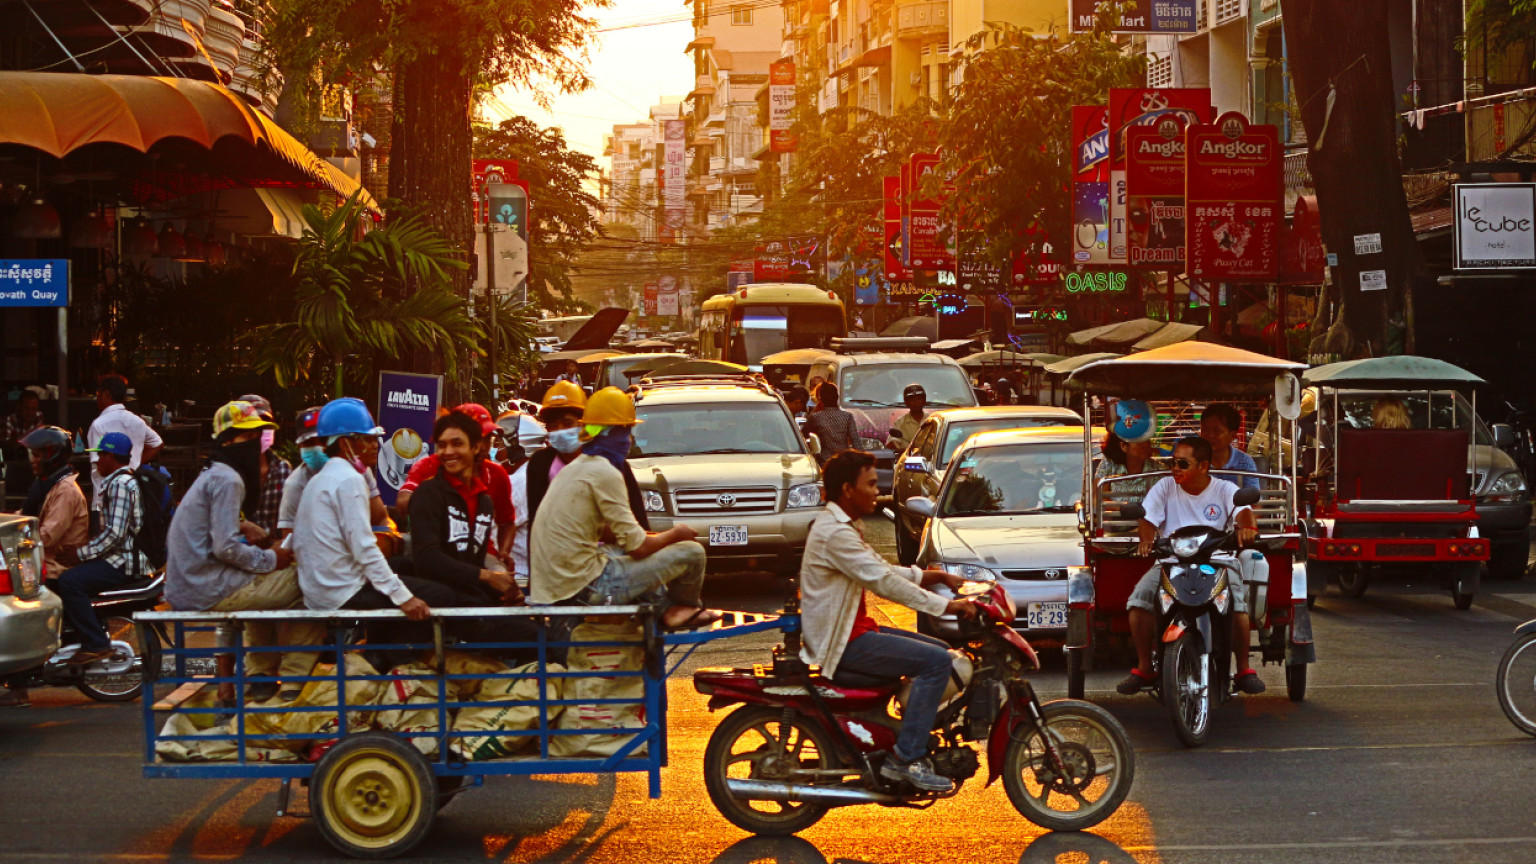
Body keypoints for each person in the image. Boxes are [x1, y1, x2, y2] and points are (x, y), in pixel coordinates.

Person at [799, 449, 978, 793]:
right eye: (869, 484)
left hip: (853, 630)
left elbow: (880, 570)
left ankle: (905, 730)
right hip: (843, 642)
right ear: (847, 490)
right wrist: (946, 606)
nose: (876, 491)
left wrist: (930, 576)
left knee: (942, 649)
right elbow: (883, 583)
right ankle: (905, 759)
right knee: (938, 662)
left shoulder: (843, 526)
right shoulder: (835, 533)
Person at [164, 401, 320, 703]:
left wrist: (249, 533)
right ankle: (293, 679)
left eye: (255, 437)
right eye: (245, 438)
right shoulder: (228, 479)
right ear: (226, 440)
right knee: (308, 581)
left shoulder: (216, 473)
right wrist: (272, 559)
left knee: (270, 584)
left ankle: (263, 674)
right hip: (206, 586)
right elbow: (225, 547)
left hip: (194, 583)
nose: (252, 445)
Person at [528, 387, 714, 630]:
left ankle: (666, 607)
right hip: (582, 588)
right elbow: (638, 548)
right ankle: (680, 608)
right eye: (626, 433)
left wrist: (652, 541)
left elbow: (625, 538)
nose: (629, 442)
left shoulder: (580, 466)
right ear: (613, 435)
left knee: (622, 553)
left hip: (556, 584)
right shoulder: (605, 471)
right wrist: (675, 534)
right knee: (692, 552)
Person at [293, 398, 457, 647]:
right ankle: (392, 658)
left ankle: (379, 651)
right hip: (342, 592)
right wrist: (404, 598)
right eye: (366, 440)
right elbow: (364, 548)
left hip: (326, 588)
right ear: (345, 442)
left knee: (410, 566)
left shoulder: (322, 478)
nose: (374, 446)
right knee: (443, 596)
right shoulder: (349, 480)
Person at [1118, 436, 1266, 697]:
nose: (1175, 469)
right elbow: (1147, 517)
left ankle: (1243, 669)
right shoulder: (1164, 487)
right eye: (1173, 462)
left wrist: (1247, 529)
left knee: (1236, 604)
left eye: (1183, 464)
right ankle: (1144, 666)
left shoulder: (1223, 489)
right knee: (1139, 601)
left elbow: (1243, 511)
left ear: (1204, 466)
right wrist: (1146, 540)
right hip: (1171, 561)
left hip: (1218, 560)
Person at [0, 427, 89, 707]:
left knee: (23, 611)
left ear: (52, 455)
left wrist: (17, 535)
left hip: (54, 564)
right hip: (44, 559)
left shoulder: (64, 491)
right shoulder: (50, 485)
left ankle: (19, 685)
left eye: (38, 454)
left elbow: (47, 534)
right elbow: (30, 519)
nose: (33, 459)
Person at [51, 433, 152, 667]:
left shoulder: (120, 484)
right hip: (121, 557)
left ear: (110, 456)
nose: (96, 462)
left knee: (69, 582)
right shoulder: (122, 481)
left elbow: (115, 534)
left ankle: (95, 643)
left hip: (124, 561)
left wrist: (81, 554)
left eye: (100, 456)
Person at [396, 403, 515, 557]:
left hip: (480, 555)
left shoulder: (495, 476)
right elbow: (402, 504)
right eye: (443, 445)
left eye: (487, 440)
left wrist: (504, 553)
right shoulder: (430, 469)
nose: (484, 447)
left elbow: (507, 522)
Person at [86, 375, 163, 512]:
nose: (97, 398)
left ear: (106, 394)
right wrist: (136, 463)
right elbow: (157, 443)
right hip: (133, 491)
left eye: (98, 394)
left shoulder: (98, 424)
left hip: (105, 498)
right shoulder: (137, 421)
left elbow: (98, 463)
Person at [238, 394, 291, 541]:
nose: (260, 431)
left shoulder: (282, 470)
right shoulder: (225, 471)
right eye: (253, 424)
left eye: (265, 424)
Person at [1096, 399, 1161, 500]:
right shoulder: (1109, 465)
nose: (1145, 445)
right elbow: (1097, 499)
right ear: (1123, 446)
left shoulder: (1158, 470)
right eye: (1139, 441)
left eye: (1146, 440)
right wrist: (1125, 509)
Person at [1201, 403, 1260, 491]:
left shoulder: (1245, 463)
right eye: (1205, 430)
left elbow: (1255, 502)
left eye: (1217, 431)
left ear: (1232, 436)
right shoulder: (1193, 460)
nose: (1210, 435)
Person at [802, 382, 861, 463]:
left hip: (824, 462)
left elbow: (802, 436)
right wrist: (862, 461)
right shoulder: (847, 416)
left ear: (821, 399)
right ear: (837, 397)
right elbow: (856, 441)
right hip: (844, 461)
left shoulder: (816, 417)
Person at [887, 384, 927, 452]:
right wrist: (900, 450)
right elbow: (892, 442)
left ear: (924, 400)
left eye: (919, 398)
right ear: (906, 402)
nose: (916, 402)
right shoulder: (900, 422)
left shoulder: (931, 420)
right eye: (912, 399)